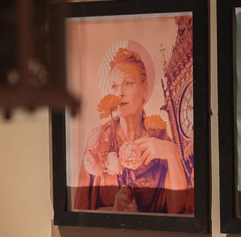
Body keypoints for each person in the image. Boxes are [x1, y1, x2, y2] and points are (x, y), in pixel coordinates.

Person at [74, 47, 190, 214]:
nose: (120, 92)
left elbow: (178, 210)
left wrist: (171, 153)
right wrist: (114, 210)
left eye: (128, 83)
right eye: (114, 86)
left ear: (144, 89)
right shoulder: (98, 141)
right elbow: (80, 211)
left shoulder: (160, 140)